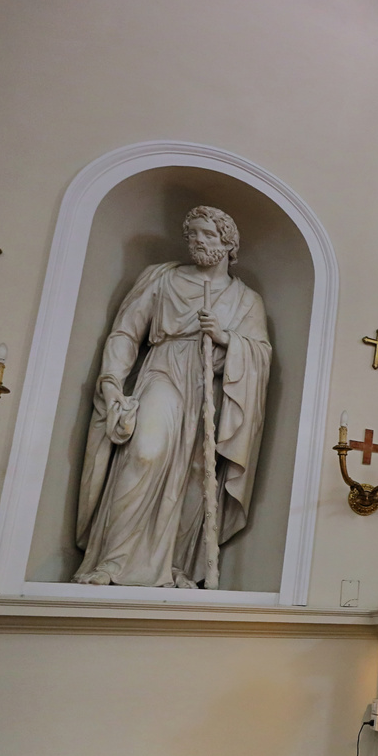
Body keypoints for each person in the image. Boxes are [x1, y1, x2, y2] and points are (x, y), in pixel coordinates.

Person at [74, 206, 271, 588]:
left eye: (207, 234)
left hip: (212, 388)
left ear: (228, 243)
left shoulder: (247, 299)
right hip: (164, 371)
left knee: (198, 476)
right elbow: (126, 332)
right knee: (145, 452)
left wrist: (226, 338)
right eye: (192, 233)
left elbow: (261, 354)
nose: (197, 240)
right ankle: (114, 562)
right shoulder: (162, 278)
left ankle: (176, 566)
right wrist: (112, 380)